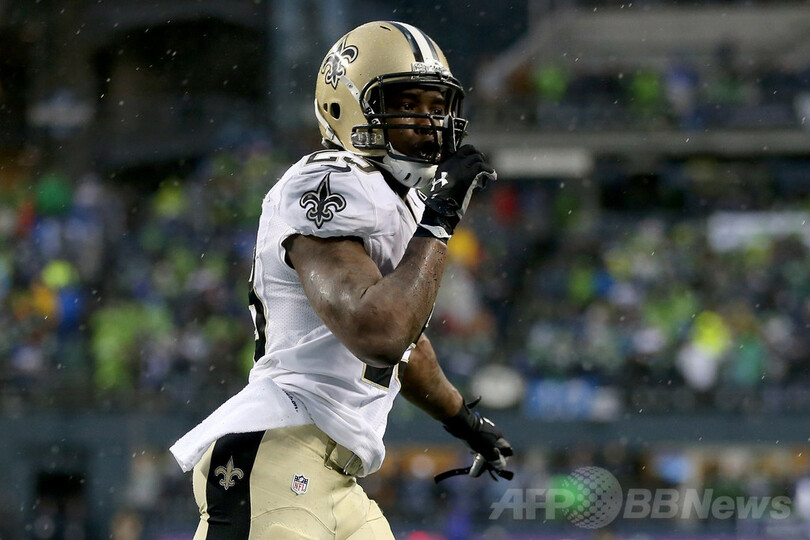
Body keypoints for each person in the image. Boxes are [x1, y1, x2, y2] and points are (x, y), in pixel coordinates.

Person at [170, 20, 512, 539]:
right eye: (407, 104)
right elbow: (378, 333)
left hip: (335, 475)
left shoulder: (399, 202)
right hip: (278, 453)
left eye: (436, 106)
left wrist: (465, 421)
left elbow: (407, 349)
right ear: (346, 107)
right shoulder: (329, 178)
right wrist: (441, 218)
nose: (428, 122)